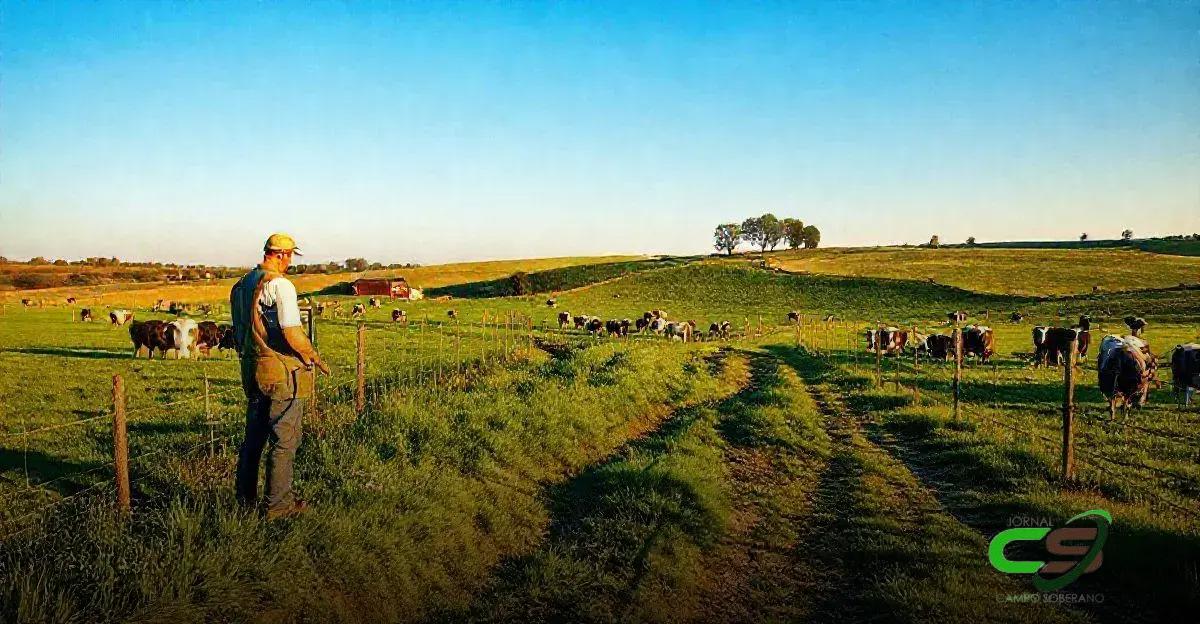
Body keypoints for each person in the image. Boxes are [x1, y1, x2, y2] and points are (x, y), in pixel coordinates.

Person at [231, 233, 330, 520]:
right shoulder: (280, 285)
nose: (289, 263)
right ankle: (277, 507)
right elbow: (291, 331)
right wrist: (313, 356)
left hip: (252, 371)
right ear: (283, 255)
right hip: (281, 372)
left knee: (253, 440)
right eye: (290, 257)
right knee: (284, 441)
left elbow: (240, 331)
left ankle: (244, 502)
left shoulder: (241, 286)